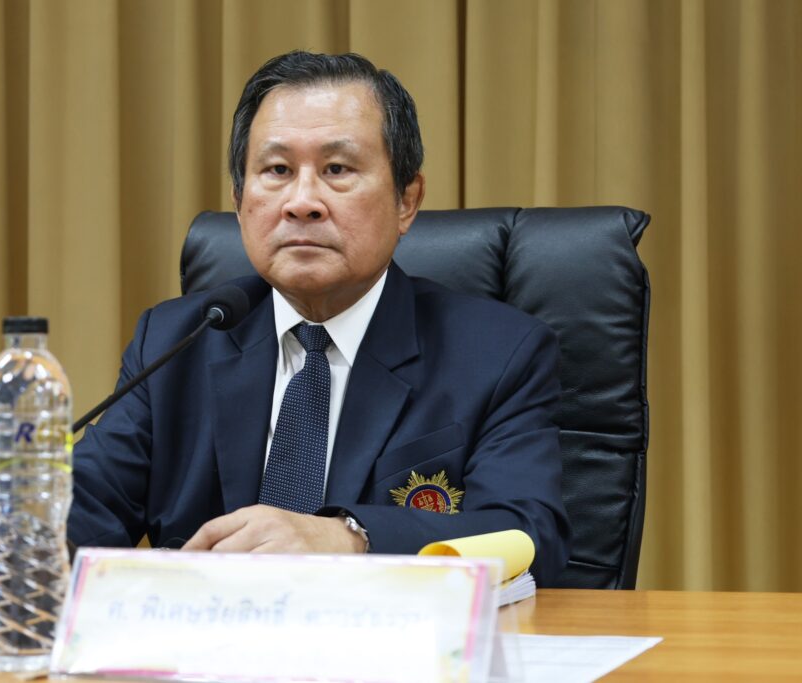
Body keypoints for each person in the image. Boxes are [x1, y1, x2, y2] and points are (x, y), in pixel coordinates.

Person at [68, 51, 571, 584]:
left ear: (407, 200)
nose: (302, 202)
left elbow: (529, 533)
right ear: (239, 201)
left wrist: (350, 537)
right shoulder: (175, 342)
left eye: (337, 170)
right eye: (277, 171)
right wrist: (24, 532)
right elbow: (83, 505)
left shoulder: (498, 355)